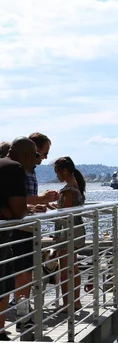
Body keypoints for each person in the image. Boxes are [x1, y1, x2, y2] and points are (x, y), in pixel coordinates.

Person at [12, 133, 58, 332]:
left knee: (27, 269)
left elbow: (23, 200)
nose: (45, 158)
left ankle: (23, 306)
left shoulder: (30, 170)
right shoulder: (18, 170)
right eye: (44, 153)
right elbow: (17, 197)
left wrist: (34, 208)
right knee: (23, 269)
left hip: (27, 224)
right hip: (19, 228)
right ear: (33, 151)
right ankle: (22, 311)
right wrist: (40, 200)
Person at [0, 137, 36, 340]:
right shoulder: (15, 169)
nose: (38, 161)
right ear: (25, 155)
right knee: (3, 283)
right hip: (2, 237)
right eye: (36, 155)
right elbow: (19, 210)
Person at [53, 156, 87, 310]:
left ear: (64, 171)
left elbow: (65, 213)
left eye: (57, 172)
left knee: (66, 268)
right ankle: (75, 301)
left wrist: (53, 209)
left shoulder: (68, 190)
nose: (57, 176)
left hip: (67, 231)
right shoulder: (77, 186)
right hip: (77, 229)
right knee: (73, 267)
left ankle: (68, 303)